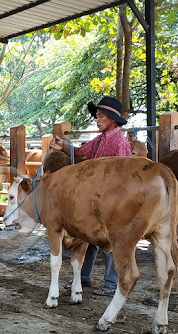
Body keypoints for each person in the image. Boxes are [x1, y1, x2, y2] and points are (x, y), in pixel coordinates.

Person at [49, 96, 131, 297]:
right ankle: (84, 277)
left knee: (111, 239)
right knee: (89, 235)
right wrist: (63, 148)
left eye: (101, 116)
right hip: (95, 196)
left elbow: (123, 174)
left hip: (111, 199)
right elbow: (81, 154)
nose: (97, 119)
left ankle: (112, 282)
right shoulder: (101, 138)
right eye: (97, 116)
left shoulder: (119, 142)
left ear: (112, 119)